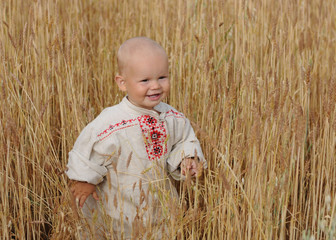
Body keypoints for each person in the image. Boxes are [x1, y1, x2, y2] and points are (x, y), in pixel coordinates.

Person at [66, 37, 206, 239]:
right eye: (145, 80)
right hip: (117, 210)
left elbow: (185, 140)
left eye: (162, 77)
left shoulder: (172, 117)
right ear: (122, 83)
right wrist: (84, 180)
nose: (156, 86)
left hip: (159, 209)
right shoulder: (110, 123)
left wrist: (187, 159)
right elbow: (87, 151)